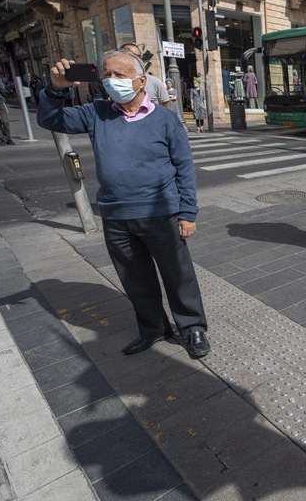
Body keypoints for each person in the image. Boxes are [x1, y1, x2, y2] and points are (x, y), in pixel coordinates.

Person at [36, 52, 210, 360]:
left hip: (162, 214)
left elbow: (184, 167)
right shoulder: (97, 112)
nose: (110, 81)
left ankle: (193, 328)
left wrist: (187, 212)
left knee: (178, 275)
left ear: (141, 80)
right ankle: (153, 328)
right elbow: (50, 119)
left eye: (119, 74)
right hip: (116, 216)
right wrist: (55, 89)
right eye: (106, 74)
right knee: (135, 279)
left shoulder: (165, 118)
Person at [118, 43, 171, 109]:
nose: (134, 59)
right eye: (129, 55)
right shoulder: (115, 84)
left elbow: (166, 109)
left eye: (137, 56)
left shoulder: (155, 82)